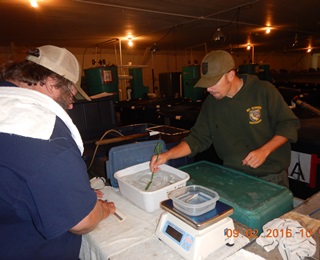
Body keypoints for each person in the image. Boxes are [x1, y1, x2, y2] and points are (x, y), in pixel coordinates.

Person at [0, 45, 116, 259]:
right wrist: (100, 209)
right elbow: (83, 221)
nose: (71, 105)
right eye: (70, 92)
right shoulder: (46, 136)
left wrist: (75, 192)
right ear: (53, 82)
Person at [150, 50, 300, 187]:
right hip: (233, 176)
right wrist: (166, 155)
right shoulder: (211, 103)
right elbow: (197, 139)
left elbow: (289, 124)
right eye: (206, 84)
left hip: (270, 177)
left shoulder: (263, 91)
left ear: (230, 75)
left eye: (213, 83)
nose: (208, 89)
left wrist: (264, 151)